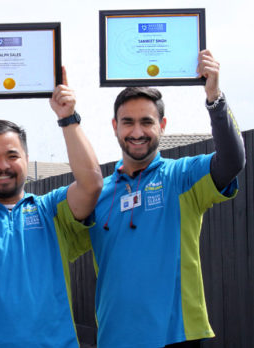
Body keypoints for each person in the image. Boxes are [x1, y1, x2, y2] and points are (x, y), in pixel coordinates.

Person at [0, 67, 103, 347]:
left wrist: (67, 117)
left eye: (12, 155)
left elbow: (92, 185)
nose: (3, 165)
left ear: (26, 158)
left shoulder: (52, 211)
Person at [88, 50, 245, 347]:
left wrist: (214, 97)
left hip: (176, 336)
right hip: (114, 337)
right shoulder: (97, 194)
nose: (137, 132)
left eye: (147, 122)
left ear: (162, 125)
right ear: (115, 127)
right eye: (128, 122)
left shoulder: (181, 177)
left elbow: (231, 162)